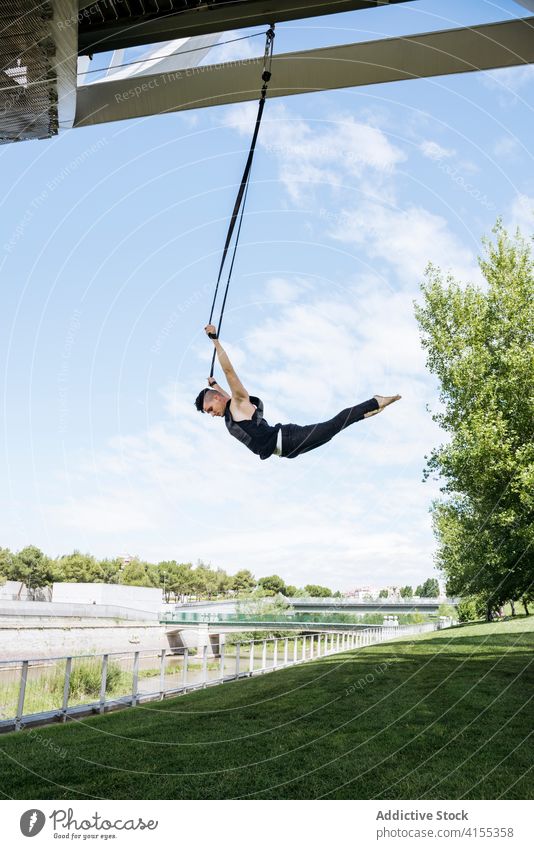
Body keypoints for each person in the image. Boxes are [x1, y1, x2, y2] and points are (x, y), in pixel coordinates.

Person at [195, 324, 401, 460]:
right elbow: (228, 399)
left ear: (217, 399)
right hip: (288, 448)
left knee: (333, 426)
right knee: (332, 431)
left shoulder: (239, 403)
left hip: (289, 439)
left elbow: (229, 371)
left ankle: (374, 403)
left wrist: (215, 340)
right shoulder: (232, 409)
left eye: (210, 409)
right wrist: (215, 385)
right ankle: (372, 407)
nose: (212, 414)